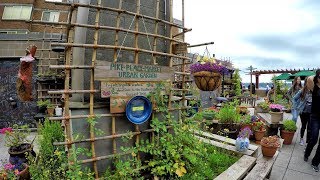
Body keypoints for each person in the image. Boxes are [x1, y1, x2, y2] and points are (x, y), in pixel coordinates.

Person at [304, 69, 320, 172]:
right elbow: (309, 79)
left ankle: (315, 162)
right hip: (315, 117)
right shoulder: (314, 87)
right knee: (314, 138)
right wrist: (317, 74)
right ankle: (307, 153)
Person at [292, 78, 312, 146]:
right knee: (304, 126)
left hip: (311, 112)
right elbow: (294, 98)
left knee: (310, 127)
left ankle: (307, 142)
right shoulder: (302, 91)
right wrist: (296, 107)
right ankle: (301, 138)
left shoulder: (314, 91)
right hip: (303, 111)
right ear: (306, 83)